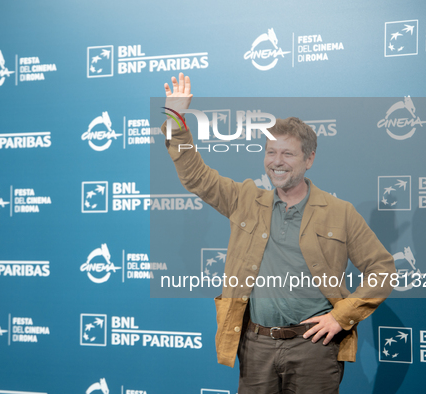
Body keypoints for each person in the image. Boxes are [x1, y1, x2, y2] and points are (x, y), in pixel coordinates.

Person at [162, 73, 395, 393]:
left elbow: (382, 270)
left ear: (309, 159)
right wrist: (175, 118)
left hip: (314, 350)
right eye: (271, 152)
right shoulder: (245, 200)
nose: (277, 161)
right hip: (255, 346)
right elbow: (195, 176)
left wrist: (341, 317)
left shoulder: (340, 212)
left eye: (287, 153)